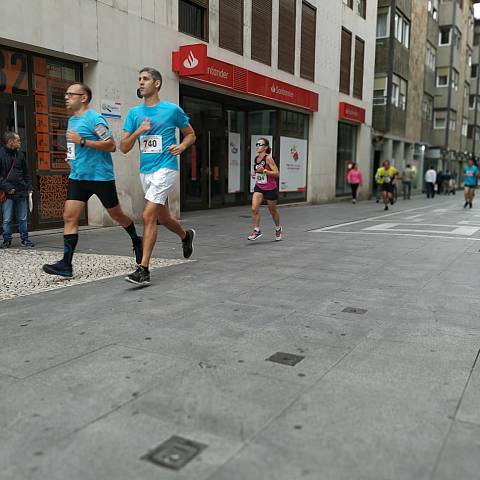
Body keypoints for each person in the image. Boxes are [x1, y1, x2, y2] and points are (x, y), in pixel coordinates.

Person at [42, 82, 142, 278]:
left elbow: (111, 145)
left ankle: (136, 239)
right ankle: (66, 264)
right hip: (78, 177)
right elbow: (73, 146)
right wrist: (71, 158)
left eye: (71, 94)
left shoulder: (95, 119)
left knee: (117, 215)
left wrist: (83, 141)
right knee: (69, 217)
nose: (66, 97)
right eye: (66, 93)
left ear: (84, 98)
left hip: (100, 177)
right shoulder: (72, 121)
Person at [120, 67, 196, 286]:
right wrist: (138, 131)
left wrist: (182, 146)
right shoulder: (134, 114)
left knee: (148, 215)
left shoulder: (172, 110)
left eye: (145, 79)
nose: (141, 82)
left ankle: (143, 269)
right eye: (139, 79)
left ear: (157, 84)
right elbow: (123, 147)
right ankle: (185, 236)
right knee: (163, 218)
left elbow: (191, 134)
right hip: (146, 171)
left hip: (166, 167)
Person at [0, 131, 34, 248]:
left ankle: (25, 239)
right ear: (10, 142)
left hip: (21, 191)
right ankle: (6, 240)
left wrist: (29, 186)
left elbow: (26, 173)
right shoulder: (1, 154)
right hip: (8, 192)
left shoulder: (20, 155)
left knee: (23, 218)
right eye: (18, 140)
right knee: (7, 219)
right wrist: (8, 188)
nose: (20, 142)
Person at [248, 138, 282, 240]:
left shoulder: (268, 159)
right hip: (259, 186)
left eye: (260, 144)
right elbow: (258, 171)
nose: (257, 146)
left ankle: (278, 228)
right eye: (256, 144)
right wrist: (254, 173)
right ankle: (257, 230)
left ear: (266, 147)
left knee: (272, 210)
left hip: (270, 188)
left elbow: (277, 173)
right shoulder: (256, 158)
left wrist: (265, 171)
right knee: (254, 208)